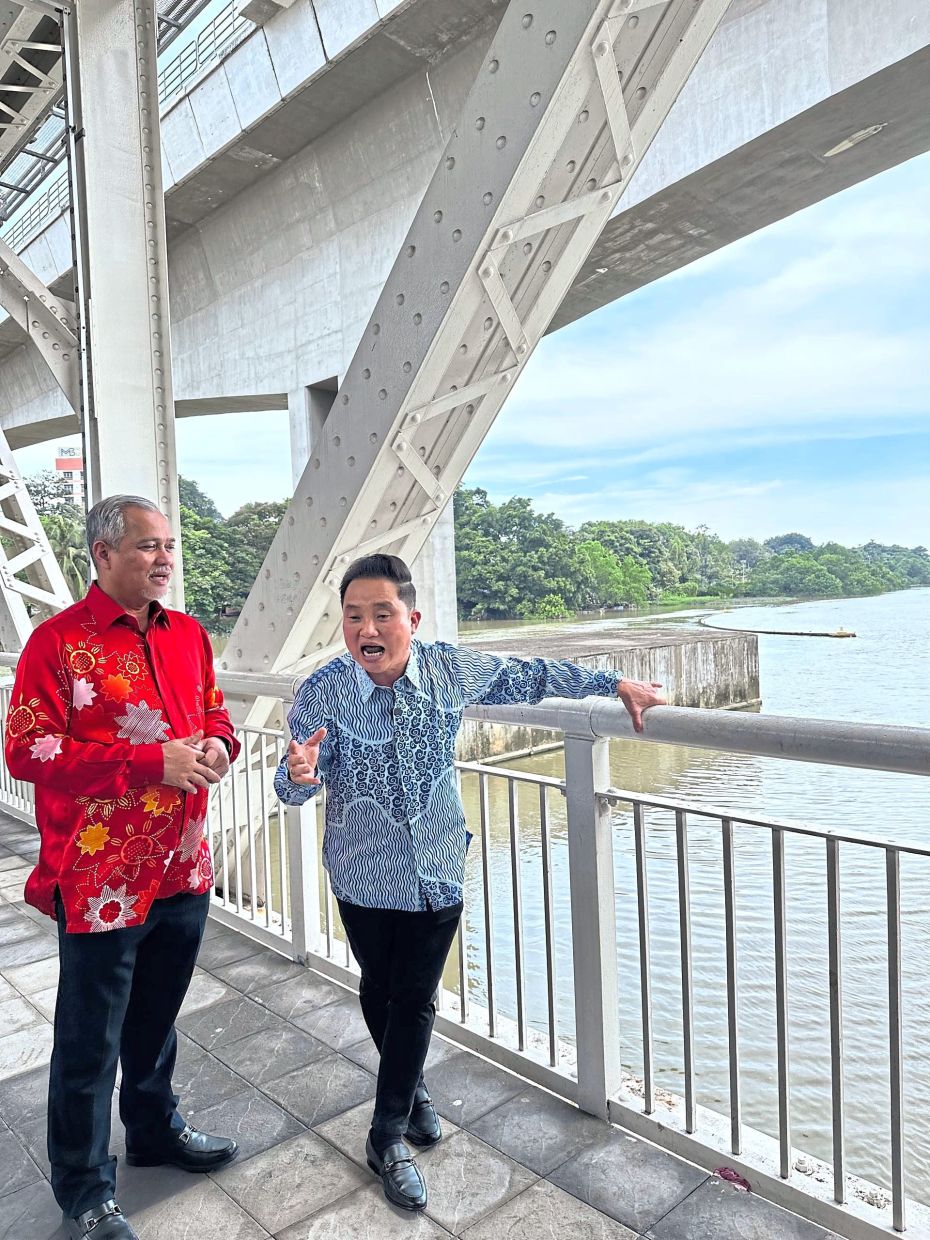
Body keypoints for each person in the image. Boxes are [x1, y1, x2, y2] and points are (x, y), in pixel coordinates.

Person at [274, 552, 665, 1213]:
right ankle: (414, 1094)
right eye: (353, 616)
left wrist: (613, 682)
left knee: (416, 998)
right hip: (361, 871)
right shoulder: (323, 690)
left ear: (412, 619)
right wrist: (297, 777)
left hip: (436, 866)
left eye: (382, 614)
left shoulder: (449, 669)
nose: (367, 629)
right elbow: (294, 783)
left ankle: (385, 1134)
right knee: (379, 987)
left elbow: (528, 675)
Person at [4, 495, 242, 1240]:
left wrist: (218, 747)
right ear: (103, 554)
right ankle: (84, 1189)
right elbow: (26, 750)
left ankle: (153, 1129)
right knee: (90, 1039)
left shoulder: (190, 635)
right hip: (99, 879)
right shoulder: (57, 644)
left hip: (183, 865)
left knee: (156, 1017)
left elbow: (215, 713)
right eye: (147, 546)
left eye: (168, 545)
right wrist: (147, 762)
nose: (164, 558)